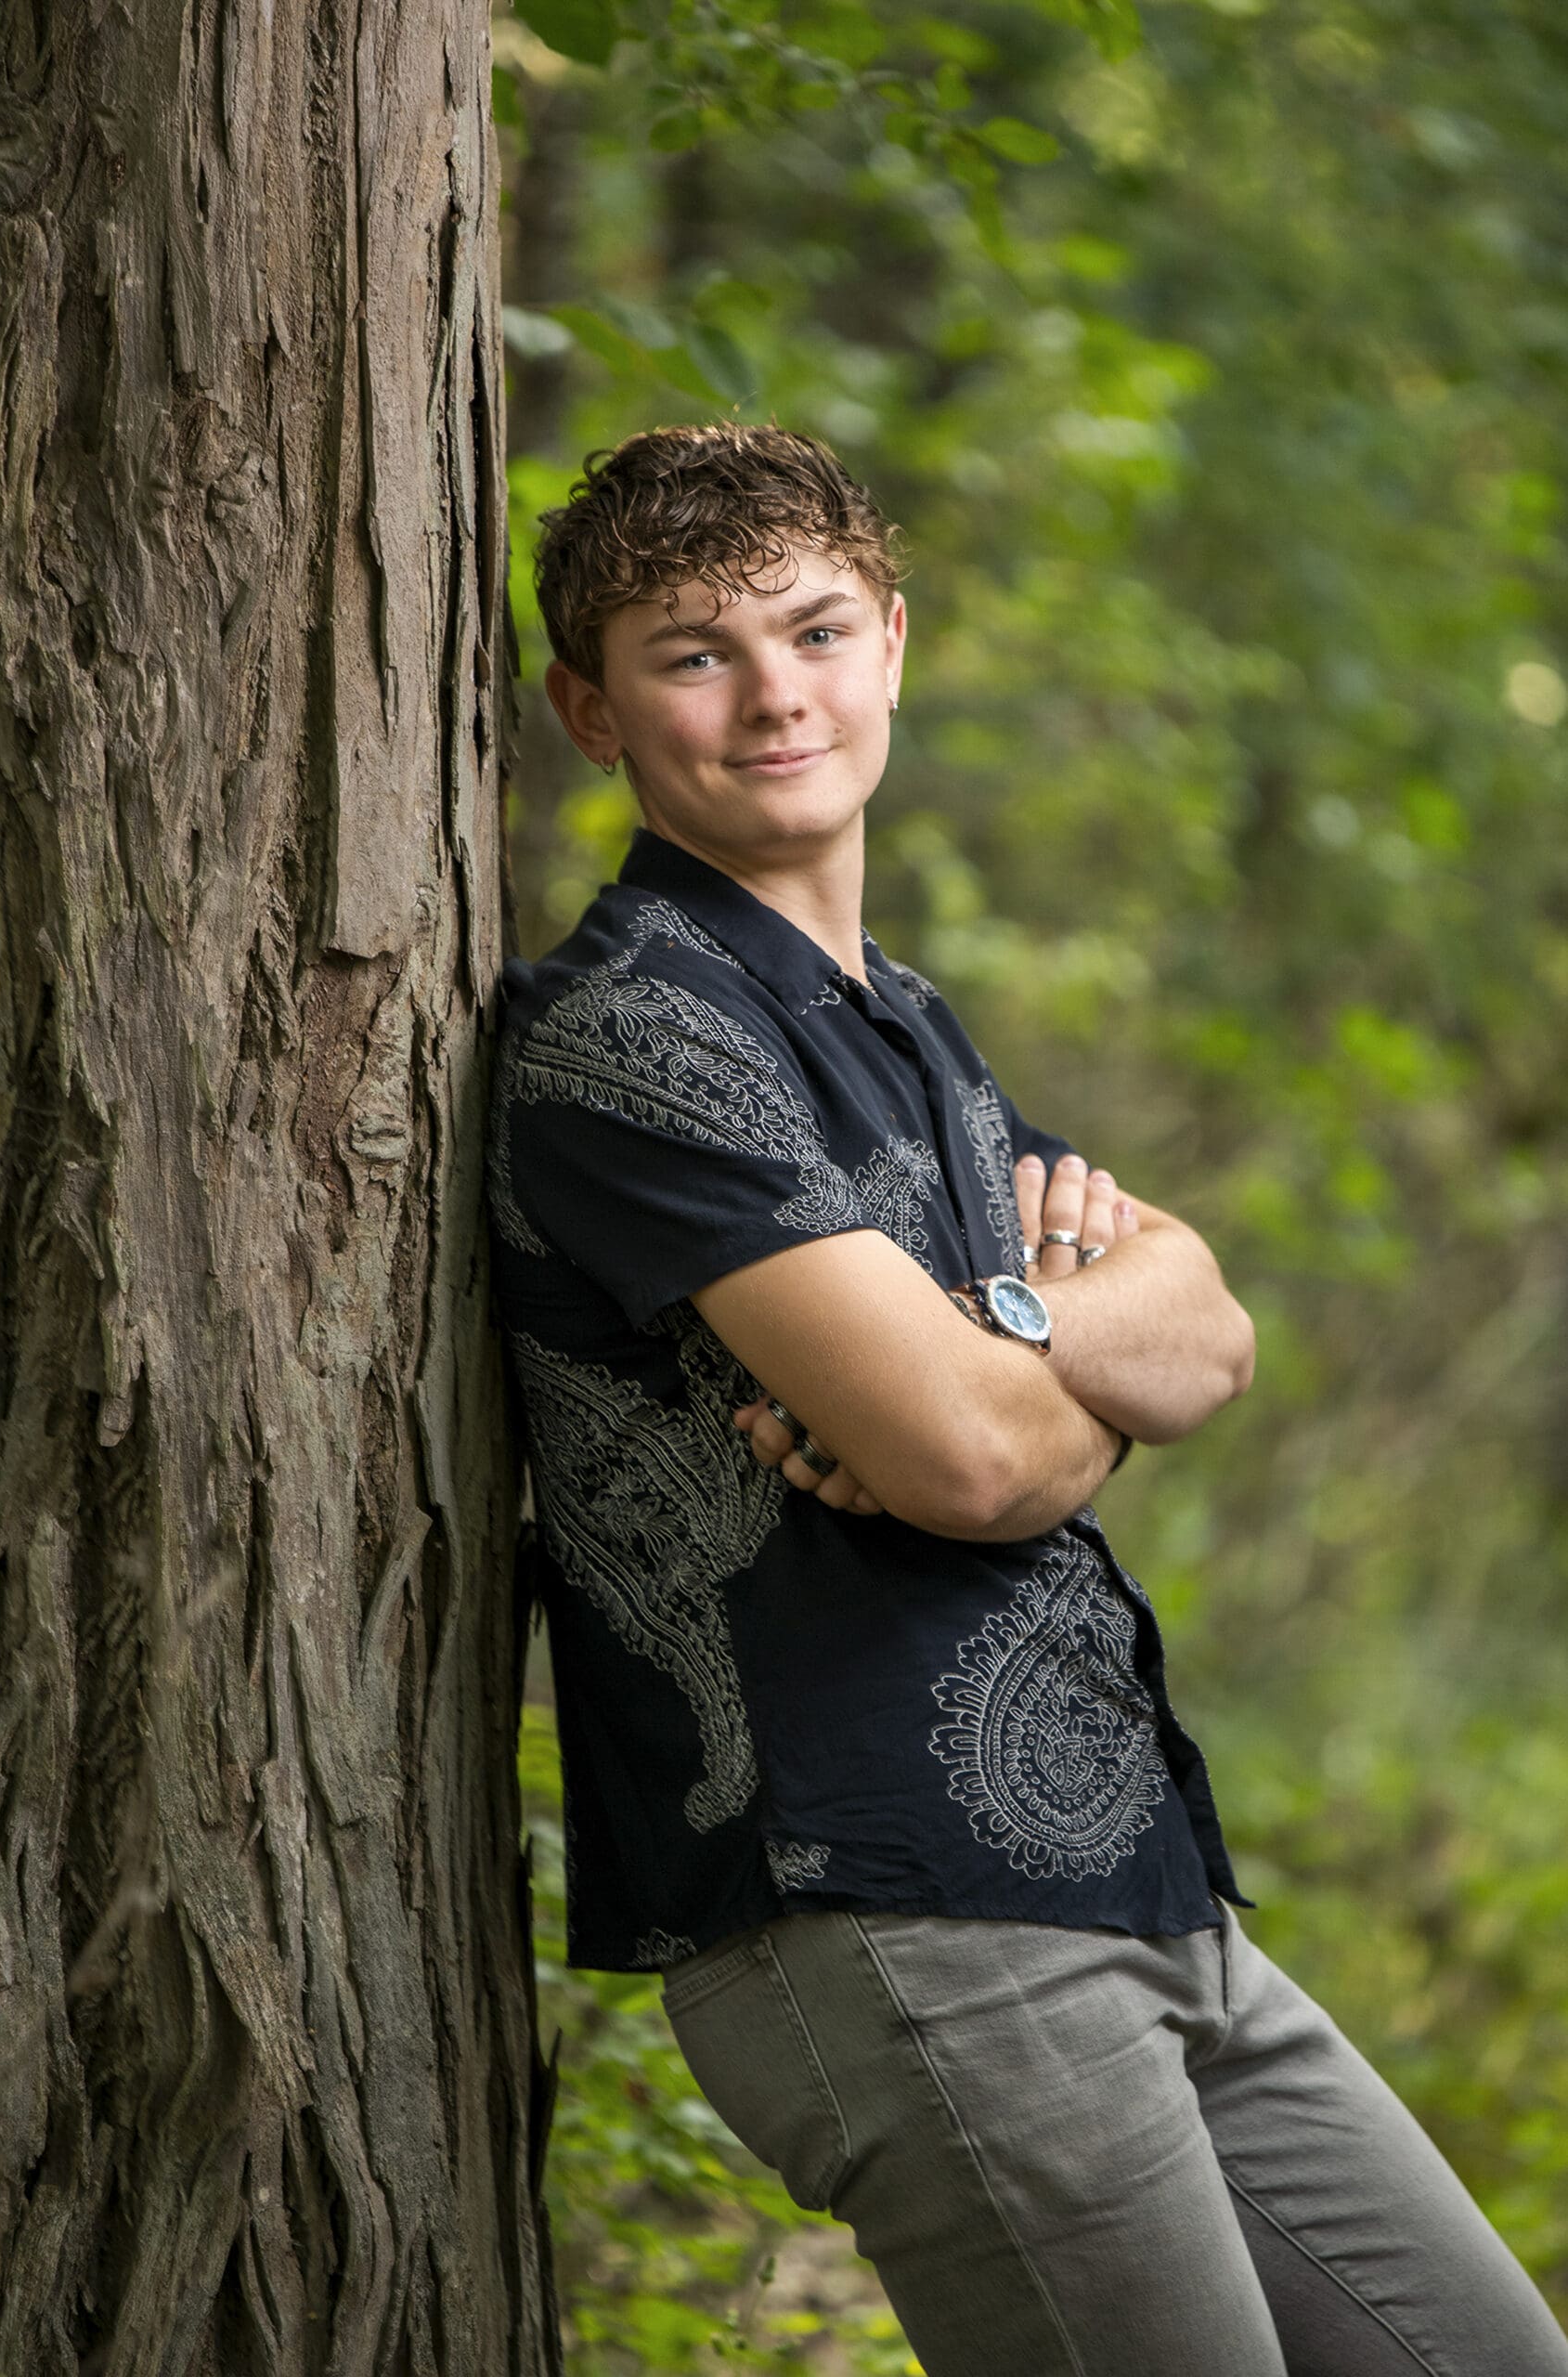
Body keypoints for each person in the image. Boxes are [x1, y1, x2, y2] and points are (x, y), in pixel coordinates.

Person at [486, 423, 1567, 2377]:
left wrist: (987, 1323)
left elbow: (1206, 1327)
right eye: (691, 652)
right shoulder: (633, 1029)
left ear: (893, 642)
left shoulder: (907, 1024)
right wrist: (1034, 1355)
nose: (774, 693)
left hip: (1139, 1883)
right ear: (591, 710)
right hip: (898, 1913)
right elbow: (984, 1456)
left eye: (814, 628)